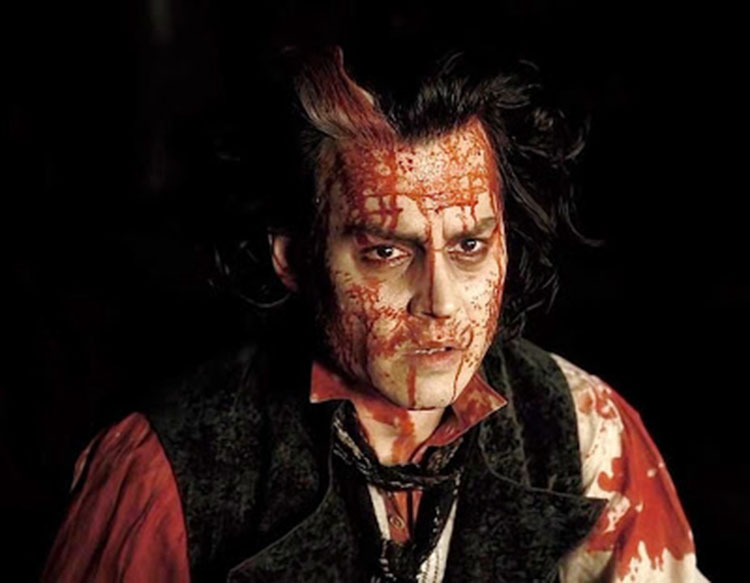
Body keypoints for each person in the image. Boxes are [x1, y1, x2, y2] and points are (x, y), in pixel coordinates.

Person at [42, 47, 708, 582]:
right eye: (387, 251)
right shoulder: (168, 466)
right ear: (294, 257)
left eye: (470, 246)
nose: (440, 301)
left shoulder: (587, 428)